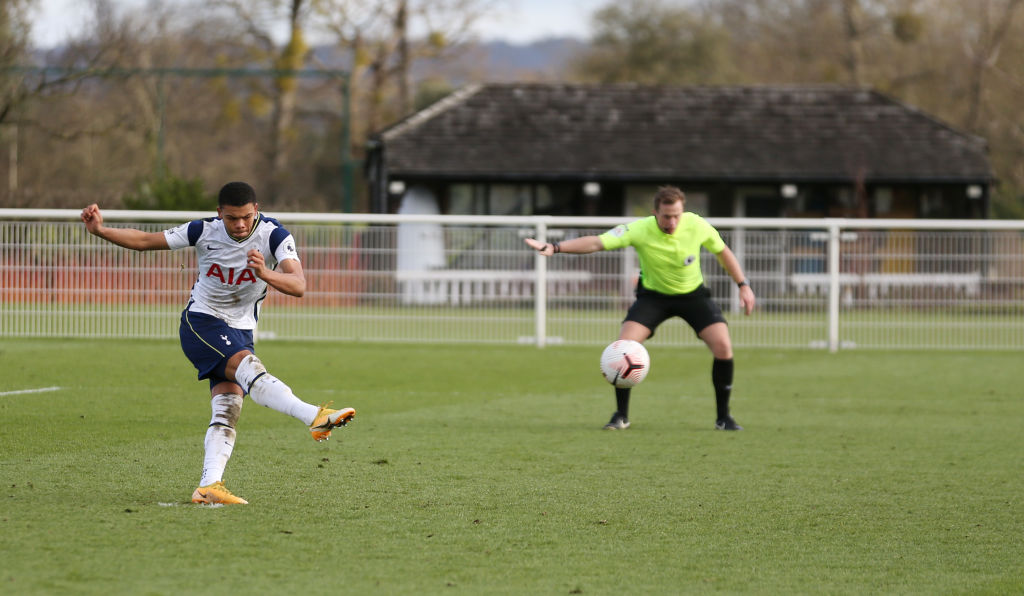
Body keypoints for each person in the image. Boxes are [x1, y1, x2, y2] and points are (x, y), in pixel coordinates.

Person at [80, 181, 355, 505]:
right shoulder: (203, 231)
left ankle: (208, 485)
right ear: (219, 213)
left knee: (228, 409)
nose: (240, 225)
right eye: (232, 218)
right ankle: (314, 416)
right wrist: (100, 230)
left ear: (257, 209)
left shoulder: (275, 235)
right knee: (251, 369)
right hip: (202, 323)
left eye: (246, 217)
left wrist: (265, 273)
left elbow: (298, 285)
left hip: (241, 331)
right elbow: (144, 241)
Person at [525, 186, 755, 431]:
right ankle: (621, 415)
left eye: (677, 215)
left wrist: (743, 285)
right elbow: (596, 242)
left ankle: (723, 418)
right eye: (667, 216)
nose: (673, 221)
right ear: (655, 212)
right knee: (623, 347)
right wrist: (556, 247)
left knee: (723, 346)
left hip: (693, 296)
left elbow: (723, 252)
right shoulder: (639, 229)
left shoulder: (697, 225)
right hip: (653, 298)